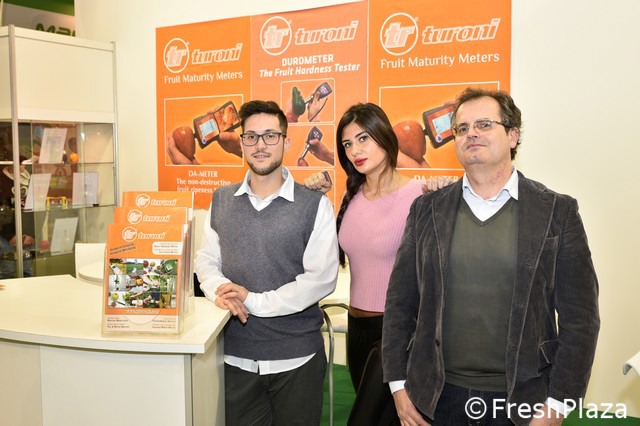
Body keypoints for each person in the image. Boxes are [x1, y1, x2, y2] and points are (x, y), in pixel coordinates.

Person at [382, 87, 600, 426]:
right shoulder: (426, 210)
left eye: (484, 124)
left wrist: (558, 404)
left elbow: (581, 319)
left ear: (513, 135)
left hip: (522, 402)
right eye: (462, 128)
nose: (471, 134)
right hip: (435, 399)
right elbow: (400, 303)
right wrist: (398, 386)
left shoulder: (557, 212)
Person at [194, 100, 339, 425]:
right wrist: (221, 291)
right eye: (251, 136)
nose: (260, 145)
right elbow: (206, 260)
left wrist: (254, 301)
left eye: (270, 136)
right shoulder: (221, 200)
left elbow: (320, 279)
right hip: (235, 358)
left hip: (297, 359)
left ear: (286, 142)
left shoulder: (313, 205)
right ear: (242, 143)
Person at [305, 103, 450, 426]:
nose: (355, 150)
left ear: (384, 136)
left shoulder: (419, 194)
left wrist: (442, 195)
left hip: (396, 332)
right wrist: (312, 199)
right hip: (356, 328)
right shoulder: (352, 196)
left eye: (363, 139)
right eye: (347, 144)